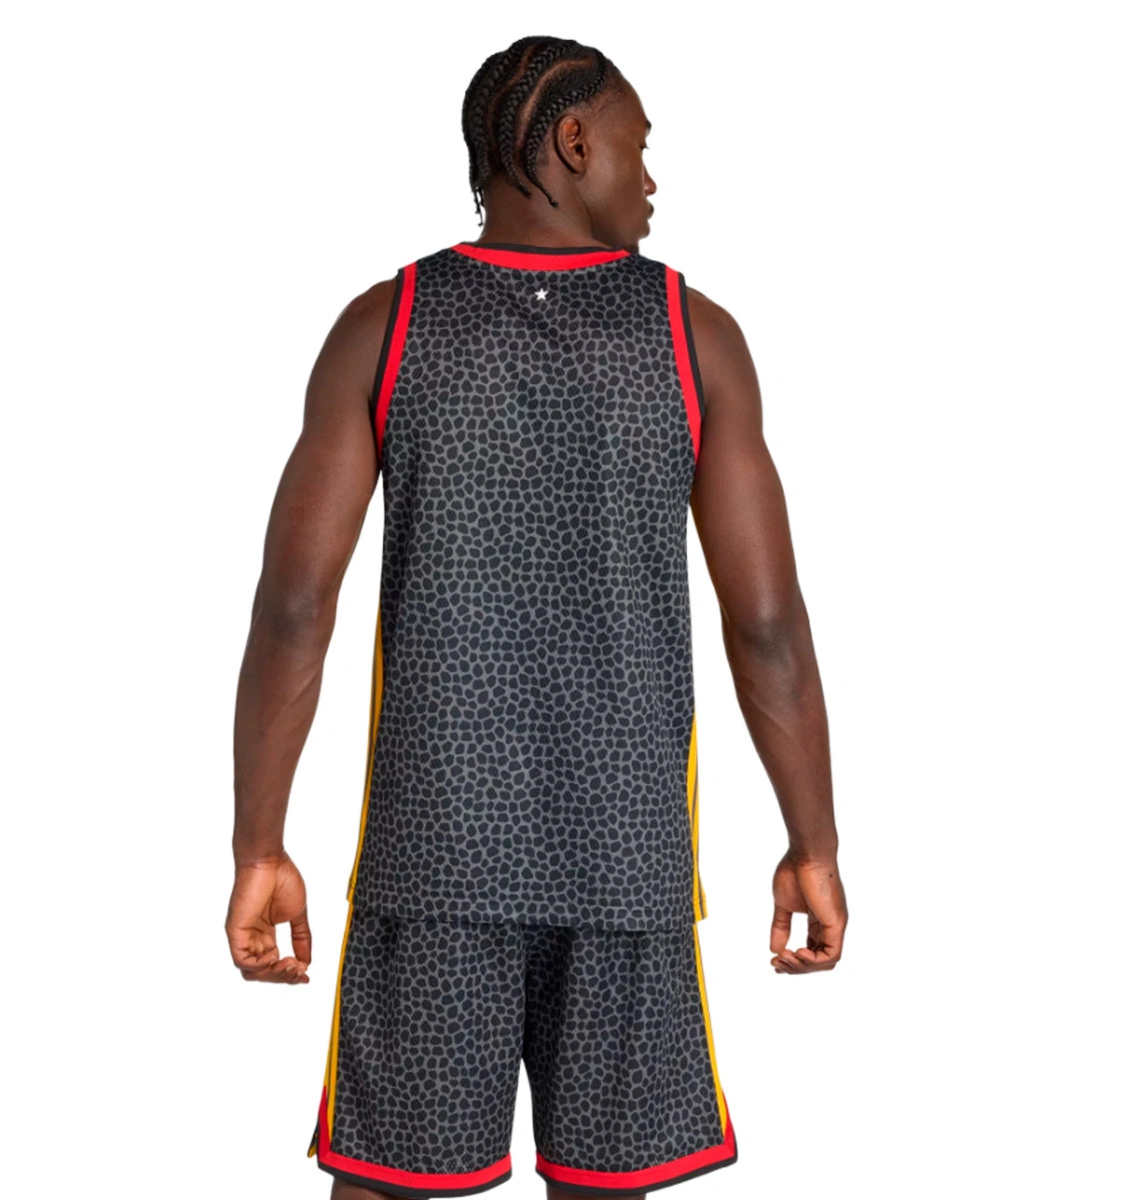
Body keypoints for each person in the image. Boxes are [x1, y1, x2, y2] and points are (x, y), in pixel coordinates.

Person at [227, 34, 846, 1200]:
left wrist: (259, 847)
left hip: (434, 857)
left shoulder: (388, 325)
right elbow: (767, 624)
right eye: (637, 147)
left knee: (388, 1184)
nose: (651, 178)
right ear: (571, 143)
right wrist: (813, 844)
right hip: (628, 860)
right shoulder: (693, 338)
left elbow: (294, 606)